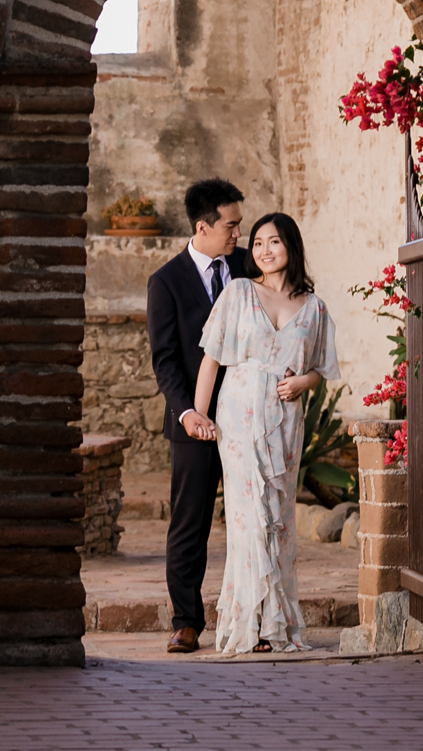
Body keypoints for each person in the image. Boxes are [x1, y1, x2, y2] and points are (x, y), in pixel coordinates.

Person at [191, 212, 339, 656]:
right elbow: (211, 358)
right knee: (247, 517)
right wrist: (200, 415)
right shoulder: (238, 292)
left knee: (278, 517)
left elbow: (322, 368)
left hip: (284, 419)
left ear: (291, 247)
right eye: (257, 243)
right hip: (238, 416)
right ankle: (249, 624)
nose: (264, 250)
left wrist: (301, 383)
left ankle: (277, 623)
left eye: (274, 242)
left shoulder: (314, 308)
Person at [146, 176, 249, 655]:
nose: (237, 236)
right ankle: (186, 621)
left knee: (256, 517)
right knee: (190, 523)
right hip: (194, 423)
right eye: (230, 227)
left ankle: (255, 616)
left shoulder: (249, 267)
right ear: (203, 226)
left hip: (250, 418)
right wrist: (187, 413)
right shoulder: (165, 282)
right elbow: (165, 360)